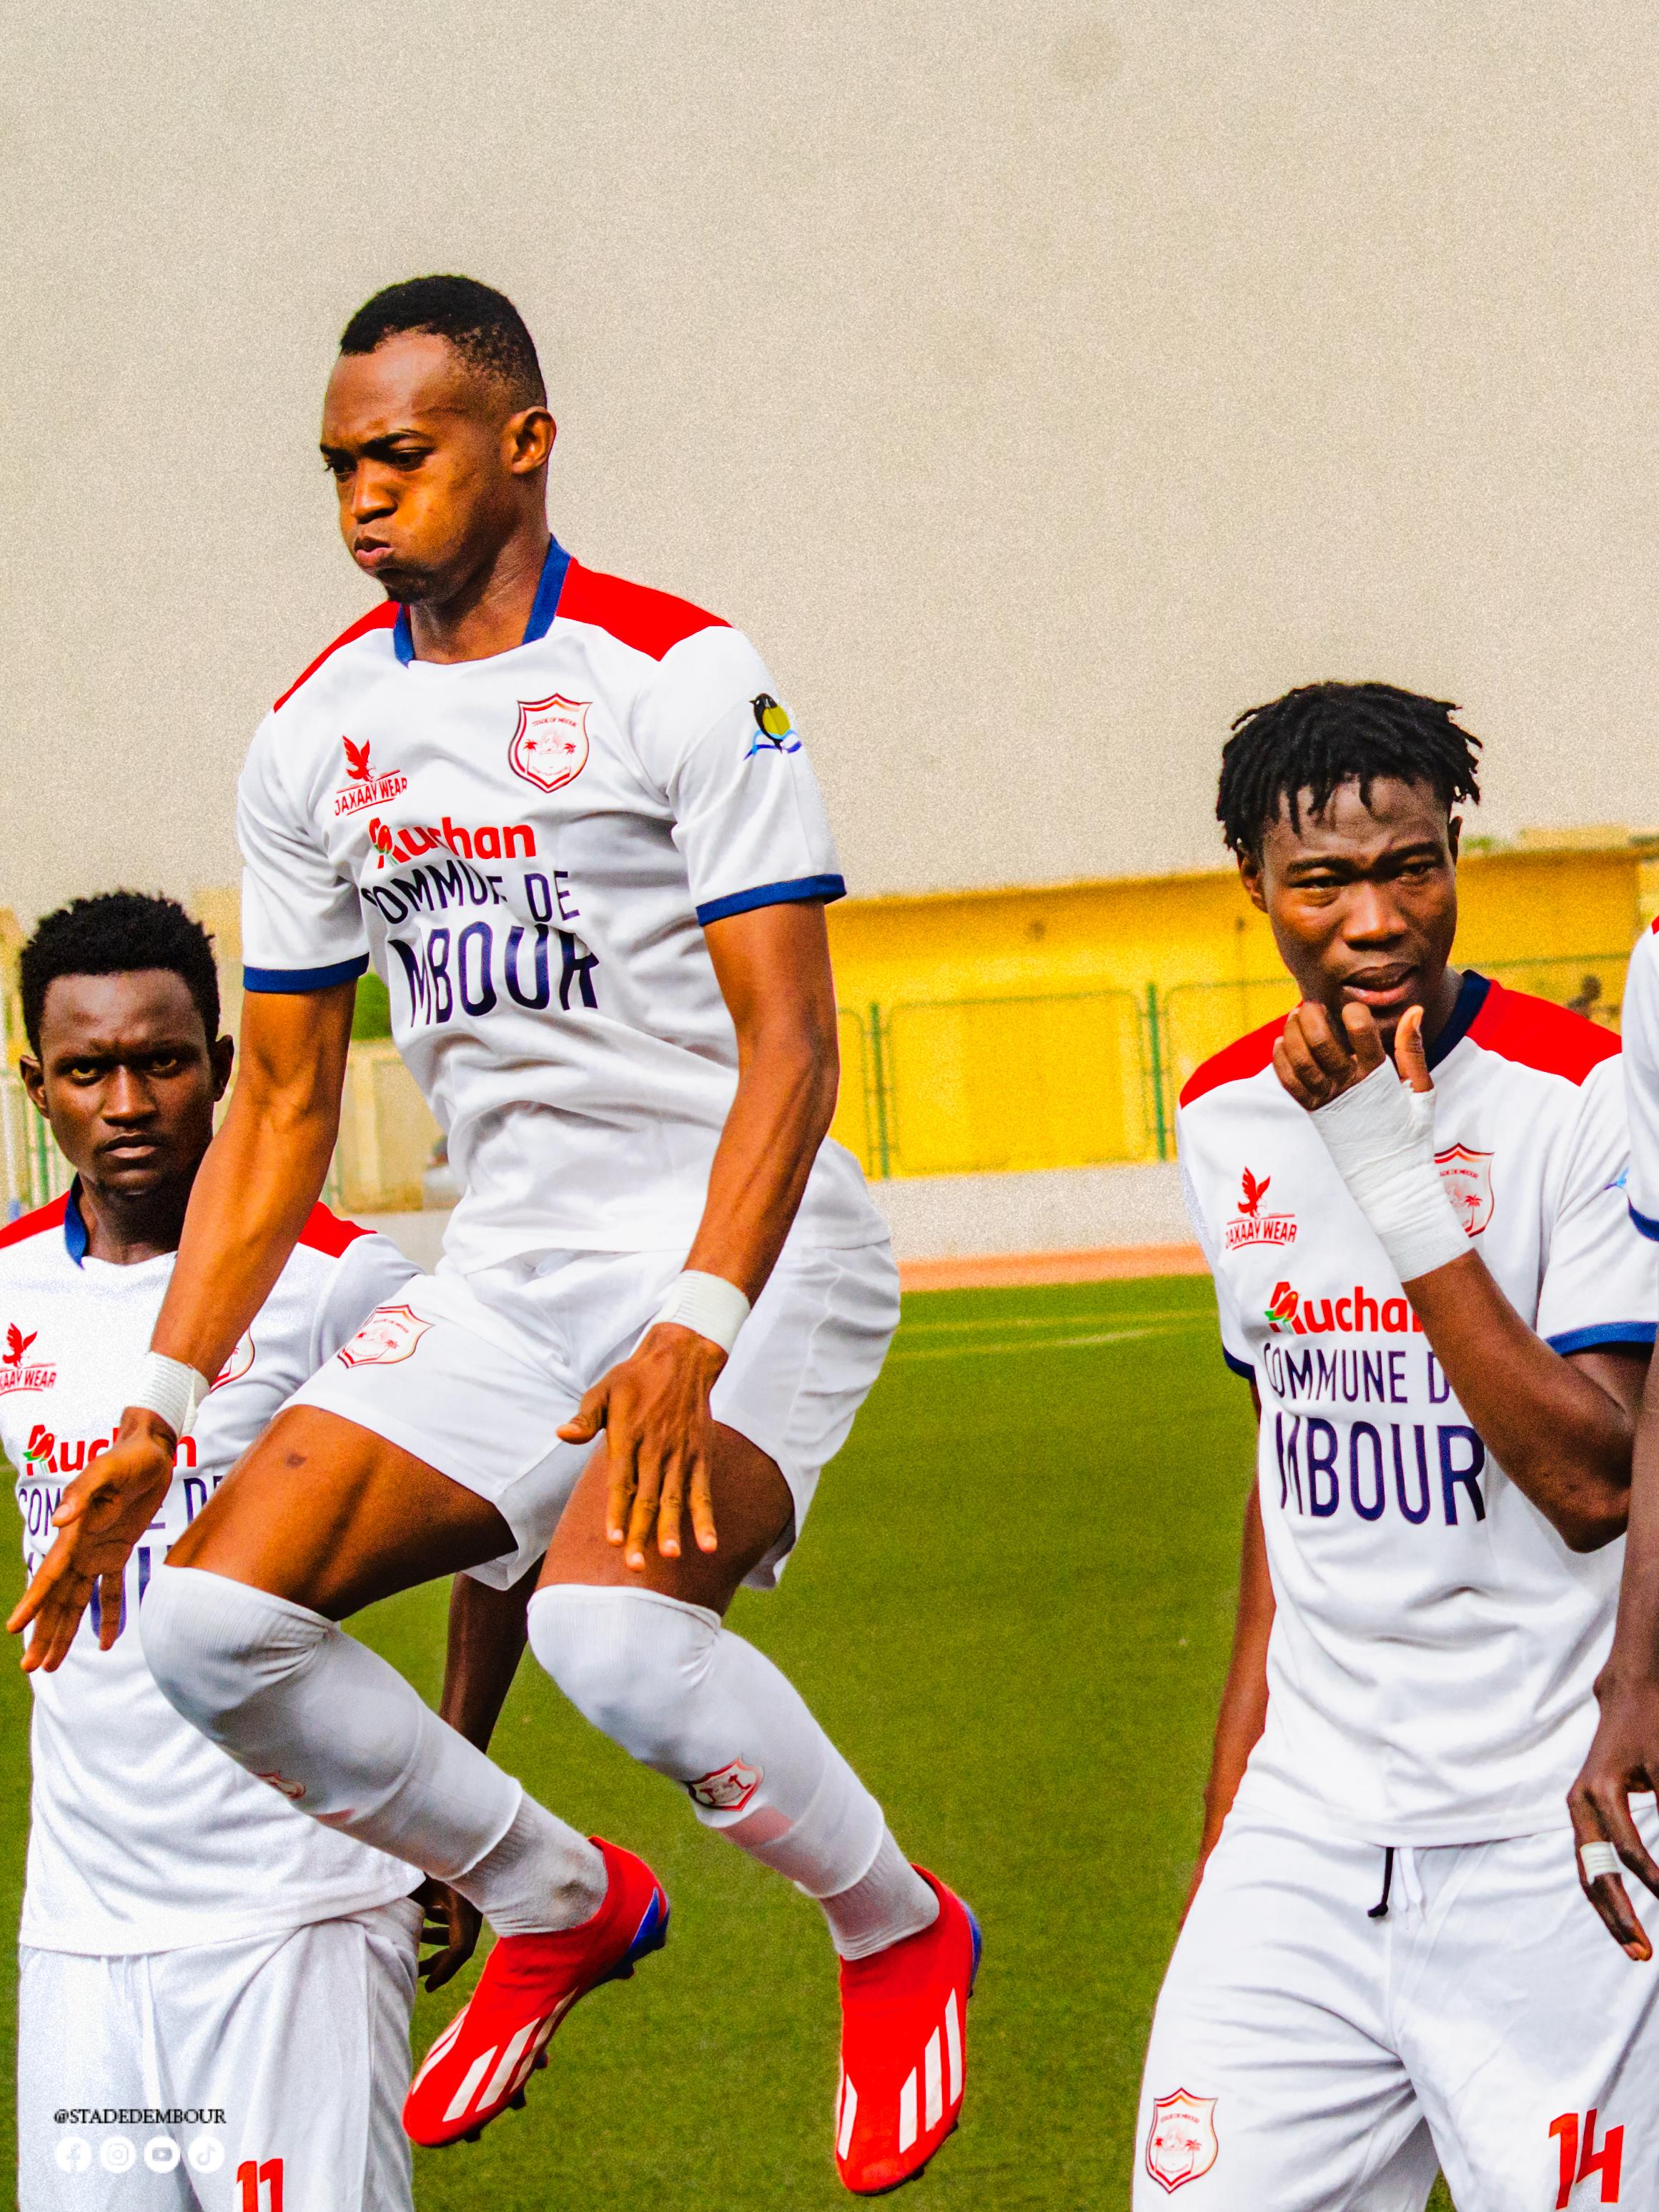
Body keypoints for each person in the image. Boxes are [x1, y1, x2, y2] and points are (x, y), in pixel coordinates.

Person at [12, 277, 978, 2196]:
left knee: (618, 1634)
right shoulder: (314, 733)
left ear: (524, 443)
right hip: (519, 1265)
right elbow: (283, 1106)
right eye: (338, 468)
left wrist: (698, 1321)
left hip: (752, 1235)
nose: (363, 498)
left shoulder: (679, 676)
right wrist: (160, 1405)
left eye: (402, 454)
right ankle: (557, 1896)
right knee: (209, 1624)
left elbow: (794, 1046)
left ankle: (893, 1929)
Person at [1135, 683, 1659, 2210]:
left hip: (1549, 1830)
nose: (1375, 921)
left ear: (1454, 857)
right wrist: (1232, 1815)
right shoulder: (1222, 1114)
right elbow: (1284, 1477)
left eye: (1411, 868)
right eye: (1323, 883)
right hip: (1307, 1836)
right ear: (1252, 886)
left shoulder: (1580, 1099)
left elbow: (1595, 1482)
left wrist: (1385, 1161)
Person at [2, 891, 464, 2211]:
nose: (128, 1103)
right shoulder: (10, 1283)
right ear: (38, 1088)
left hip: (297, 1910)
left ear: (219, 1065)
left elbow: (506, 1533)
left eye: (163, 1062)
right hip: (84, 1931)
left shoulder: (337, 1280)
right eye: (87, 1071)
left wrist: (449, 1800)